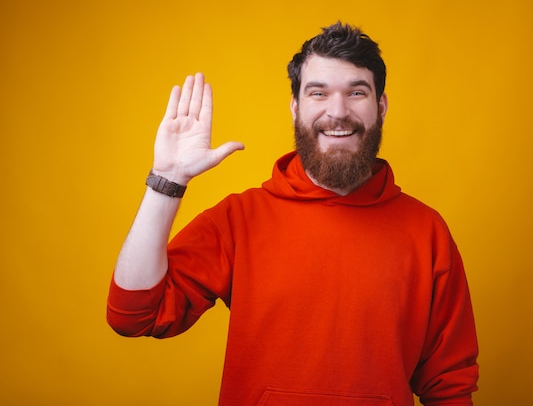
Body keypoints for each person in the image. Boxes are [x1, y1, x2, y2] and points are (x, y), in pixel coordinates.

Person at [107, 22, 479, 406]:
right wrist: (168, 178)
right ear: (296, 106)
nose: (338, 112)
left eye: (356, 92)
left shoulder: (426, 231)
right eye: (319, 93)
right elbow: (134, 316)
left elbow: (449, 386)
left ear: (380, 106)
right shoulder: (241, 219)